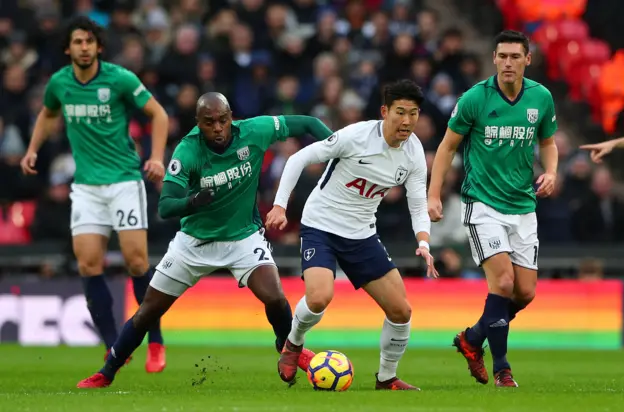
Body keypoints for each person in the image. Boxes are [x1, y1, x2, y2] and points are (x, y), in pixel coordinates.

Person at [77, 92, 334, 388]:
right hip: (194, 243)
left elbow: (308, 123)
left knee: (275, 296)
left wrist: (337, 148)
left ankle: (288, 349)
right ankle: (107, 371)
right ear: (198, 123)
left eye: (223, 120)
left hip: (242, 238)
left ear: (231, 117)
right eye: (209, 122)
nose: (218, 128)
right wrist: (194, 201)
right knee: (148, 311)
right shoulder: (187, 151)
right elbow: (165, 205)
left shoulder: (254, 130)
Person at [266, 79, 438, 391]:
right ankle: (292, 345)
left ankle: (386, 378)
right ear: (385, 111)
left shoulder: (414, 154)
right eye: (400, 112)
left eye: (413, 114)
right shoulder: (355, 136)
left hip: (361, 234)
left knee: (401, 311)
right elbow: (298, 158)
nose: (407, 121)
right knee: (319, 297)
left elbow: (417, 202)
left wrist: (423, 242)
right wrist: (280, 206)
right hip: (321, 225)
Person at [19, 16, 169, 373]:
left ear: (98, 46)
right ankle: (112, 345)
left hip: (123, 181)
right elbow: (47, 113)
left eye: (89, 41)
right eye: (77, 42)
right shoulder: (59, 83)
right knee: (88, 263)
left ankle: (157, 341)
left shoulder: (119, 79)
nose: (83, 47)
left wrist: (157, 158)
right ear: (68, 48)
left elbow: (158, 115)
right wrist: (32, 148)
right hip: (86, 187)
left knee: (136, 261)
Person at [427, 30, 559, 387]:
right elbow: (446, 147)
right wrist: (434, 195)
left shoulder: (540, 98)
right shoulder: (475, 98)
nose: (508, 63)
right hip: (483, 204)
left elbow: (547, 142)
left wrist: (551, 171)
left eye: (515, 57)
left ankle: (472, 339)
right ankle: (502, 369)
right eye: (502, 56)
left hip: (523, 205)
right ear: (494, 59)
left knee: (525, 292)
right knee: (502, 282)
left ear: (527, 60)